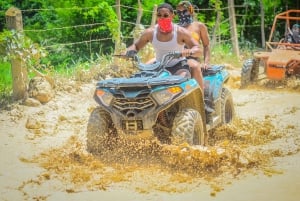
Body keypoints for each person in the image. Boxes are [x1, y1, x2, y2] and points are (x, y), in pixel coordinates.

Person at [125, 3, 202, 79]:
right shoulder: (150, 32)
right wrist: (129, 51)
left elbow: (198, 49)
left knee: (180, 80)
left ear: (172, 16)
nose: (162, 18)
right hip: (158, 66)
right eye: (159, 15)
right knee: (142, 80)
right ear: (156, 17)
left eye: (165, 15)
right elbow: (136, 46)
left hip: (179, 66)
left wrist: (189, 51)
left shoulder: (181, 32)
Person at [176, 1, 211, 91]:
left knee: (194, 67)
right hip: (177, 59)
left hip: (193, 58)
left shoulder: (199, 26)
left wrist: (206, 62)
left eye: (184, 12)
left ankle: (201, 98)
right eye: (179, 12)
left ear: (191, 11)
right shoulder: (175, 27)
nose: (182, 15)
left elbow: (206, 45)